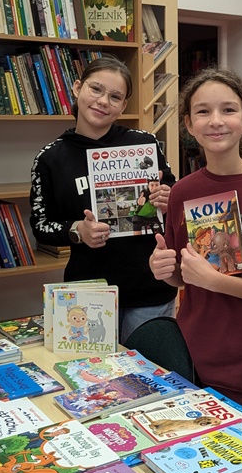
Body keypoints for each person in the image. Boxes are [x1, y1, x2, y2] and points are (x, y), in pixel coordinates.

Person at [149, 67, 242, 414]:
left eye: (228, 110)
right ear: (188, 124)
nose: (216, 120)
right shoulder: (183, 191)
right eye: (203, 111)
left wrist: (215, 281)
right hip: (191, 350)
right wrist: (163, 268)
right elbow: (181, 275)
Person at [29, 56, 176, 341]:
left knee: (149, 378)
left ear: (123, 106)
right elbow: (40, 225)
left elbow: (173, 198)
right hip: (88, 291)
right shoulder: (50, 158)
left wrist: (167, 198)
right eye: (96, 89)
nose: (103, 101)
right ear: (77, 88)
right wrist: (77, 230)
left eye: (115, 96)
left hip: (149, 288)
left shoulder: (144, 144)